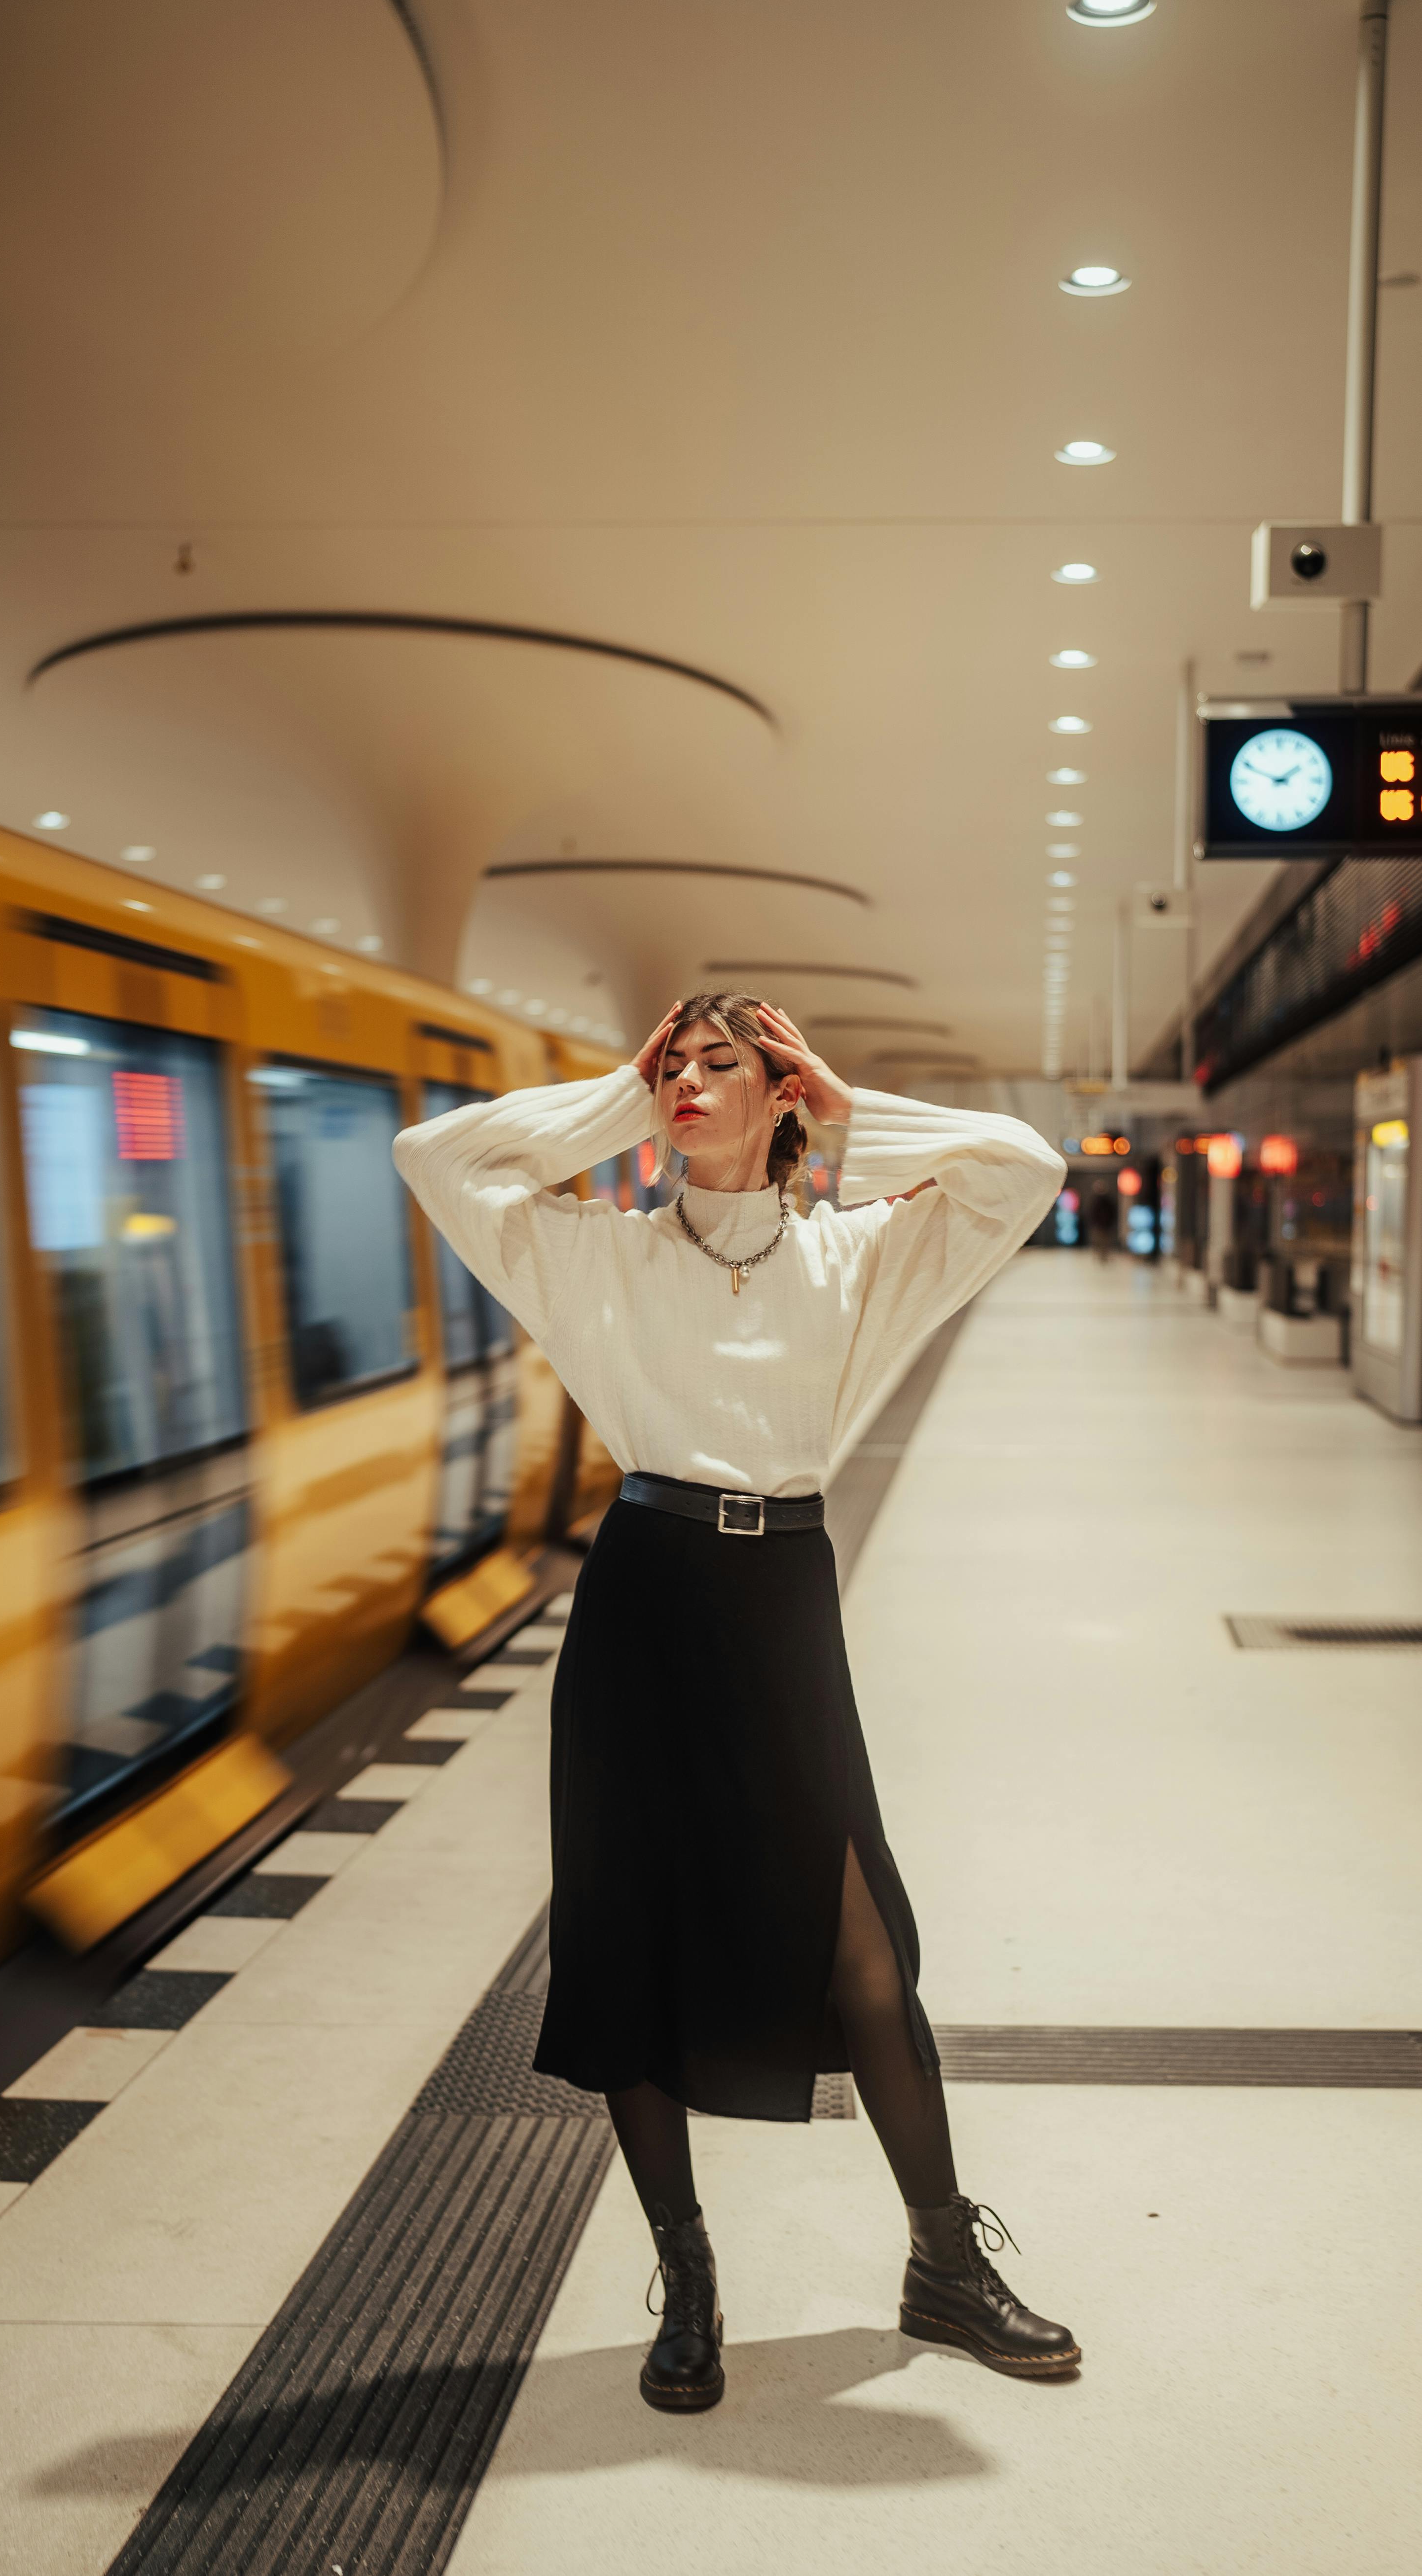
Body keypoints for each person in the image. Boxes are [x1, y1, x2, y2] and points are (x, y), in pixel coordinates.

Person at [393, 993, 1077, 2411]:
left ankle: (943, 2258)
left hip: (781, 1609)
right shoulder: (593, 1253)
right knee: (626, 1940)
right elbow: (436, 1156)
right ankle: (687, 2276)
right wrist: (617, 1097)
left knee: (863, 1947)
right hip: (642, 1599)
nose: (690, 1083)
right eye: (675, 1066)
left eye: (721, 1065)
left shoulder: (857, 1253)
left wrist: (839, 1104)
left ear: (778, 1100)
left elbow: (1020, 1165)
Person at [1087, 1179, 1119, 1263]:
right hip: (1099, 1225)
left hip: (1106, 1225)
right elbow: (1092, 1213)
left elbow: (1113, 1213)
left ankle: (1104, 1256)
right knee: (1098, 1241)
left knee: (1105, 1241)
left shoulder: (1108, 1201)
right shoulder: (1096, 1201)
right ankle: (1099, 1255)